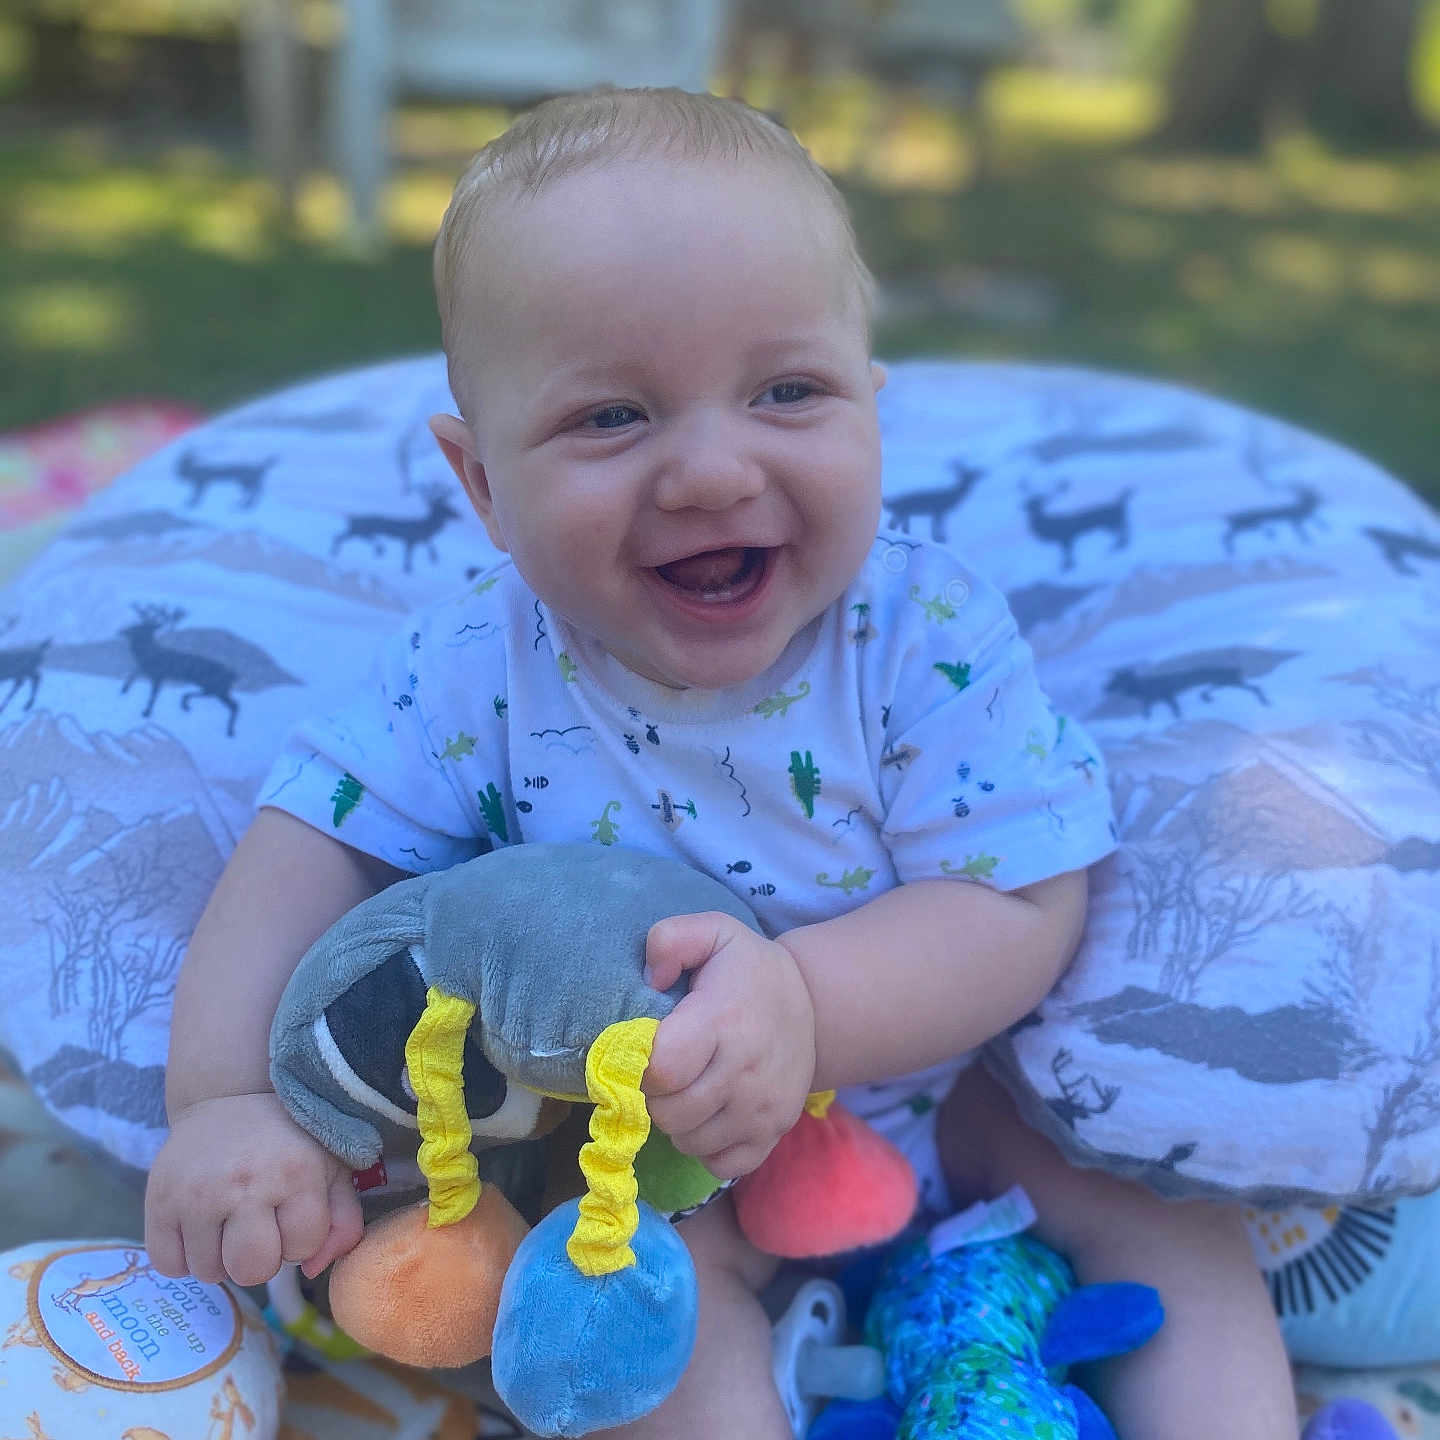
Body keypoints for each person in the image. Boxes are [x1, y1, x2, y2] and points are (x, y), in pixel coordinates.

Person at [144, 88, 1296, 1439]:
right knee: (637, 1338)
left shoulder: (919, 636)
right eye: (613, 419)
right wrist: (223, 1103)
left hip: (947, 1103)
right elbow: (310, 845)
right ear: (484, 487)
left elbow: (1020, 900)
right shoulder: (471, 667)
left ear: (872, 406)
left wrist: (805, 1002)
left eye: (788, 392)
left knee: (1176, 1224)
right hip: (652, 1168)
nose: (708, 470)